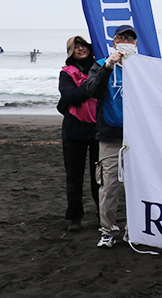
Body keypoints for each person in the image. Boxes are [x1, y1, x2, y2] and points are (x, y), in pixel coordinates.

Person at [85, 24, 138, 248]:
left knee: (138, 187)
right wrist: (108, 65)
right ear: (114, 42)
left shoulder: (142, 67)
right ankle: (107, 230)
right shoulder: (99, 65)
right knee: (109, 187)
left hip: (138, 137)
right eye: (121, 37)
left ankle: (133, 230)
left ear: (135, 43)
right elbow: (93, 91)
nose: (126, 41)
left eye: (130, 38)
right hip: (110, 135)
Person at [57, 35, 99, 232]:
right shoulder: (66, 73)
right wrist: (91, 85)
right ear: (70, 53)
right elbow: (70, 96)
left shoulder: (100, 67)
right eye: (76, 47)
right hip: (73, 132)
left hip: (98, 130)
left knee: (99, 178)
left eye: (83, 45)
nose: (80, 49)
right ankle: (75, 217)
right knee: (74, 177)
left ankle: (102, 215)